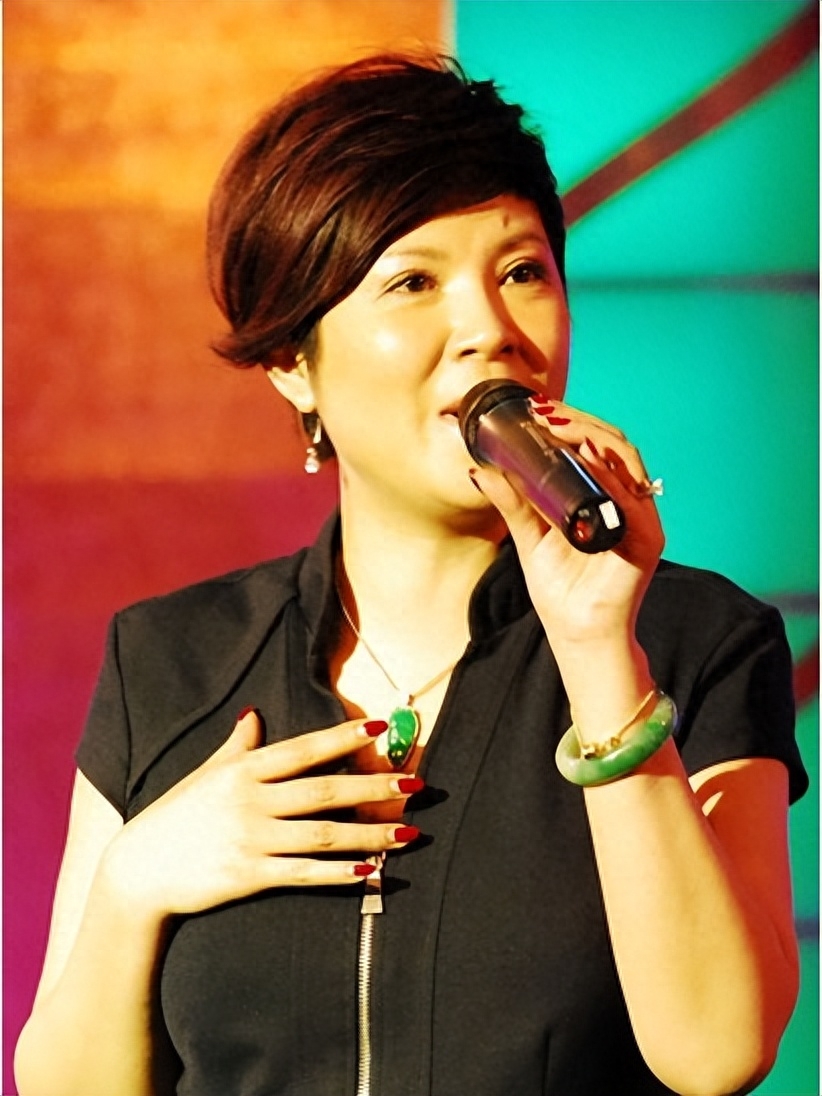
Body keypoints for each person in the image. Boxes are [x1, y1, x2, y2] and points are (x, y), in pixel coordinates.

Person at [15, 53, 807, 1096]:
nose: (489, 332)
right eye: (414, 283)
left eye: (522, 272)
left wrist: (595, 651)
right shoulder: (171, 658)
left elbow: (717, 1052)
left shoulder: (694, 640)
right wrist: (135, 883)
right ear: (292, 362)